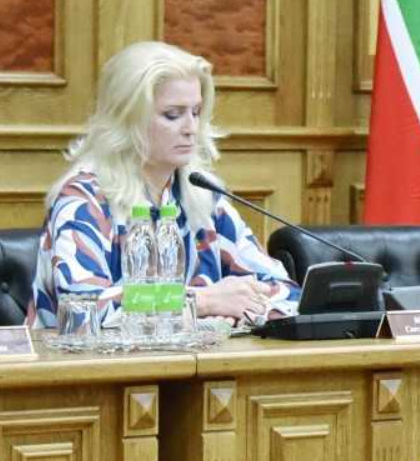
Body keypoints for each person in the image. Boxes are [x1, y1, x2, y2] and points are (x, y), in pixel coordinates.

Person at [32, 40, 296, 328]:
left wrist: (235, 311)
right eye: (173, 115)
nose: (191, 128)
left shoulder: (201, 195)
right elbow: (82, 310)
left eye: (196, 112)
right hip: (77, 359)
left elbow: (285, 292)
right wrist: (202, 302)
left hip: (189, 356)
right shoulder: (84, 198)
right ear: (127, 118)